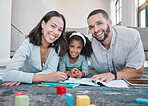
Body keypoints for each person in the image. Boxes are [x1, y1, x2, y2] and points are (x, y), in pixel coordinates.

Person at [2, 11, 68, 86]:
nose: (56, 32)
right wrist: (48, 77)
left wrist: (23, 78)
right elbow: (7, 74)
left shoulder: (57, 47)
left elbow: (51, 70)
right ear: (43, 24)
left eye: (60, 30)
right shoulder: (28, 44)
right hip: (26, 90)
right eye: (53, 26)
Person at [87, 9, 145, 83]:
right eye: (91, 27)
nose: (96, 30)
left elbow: (138, 71)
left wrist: (112, 75)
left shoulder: (131, 37)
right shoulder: (88, 42)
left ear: (109, 23)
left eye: (99, 23)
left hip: (126, 84)